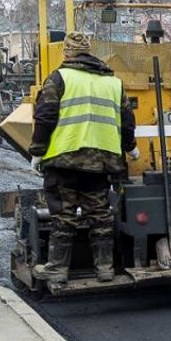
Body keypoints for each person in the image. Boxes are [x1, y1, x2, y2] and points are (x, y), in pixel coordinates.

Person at [29, 32, 138, 284]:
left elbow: (45, 116)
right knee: (100, 215)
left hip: (64, 160)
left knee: (63, 216)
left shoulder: (59, 78)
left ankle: (58, 269)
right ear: (89, 52)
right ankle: (105, 269)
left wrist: (37, 151)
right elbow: (126, 120)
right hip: (101, 162)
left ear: (67, 52)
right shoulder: (113, 83)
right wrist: (130, 147)